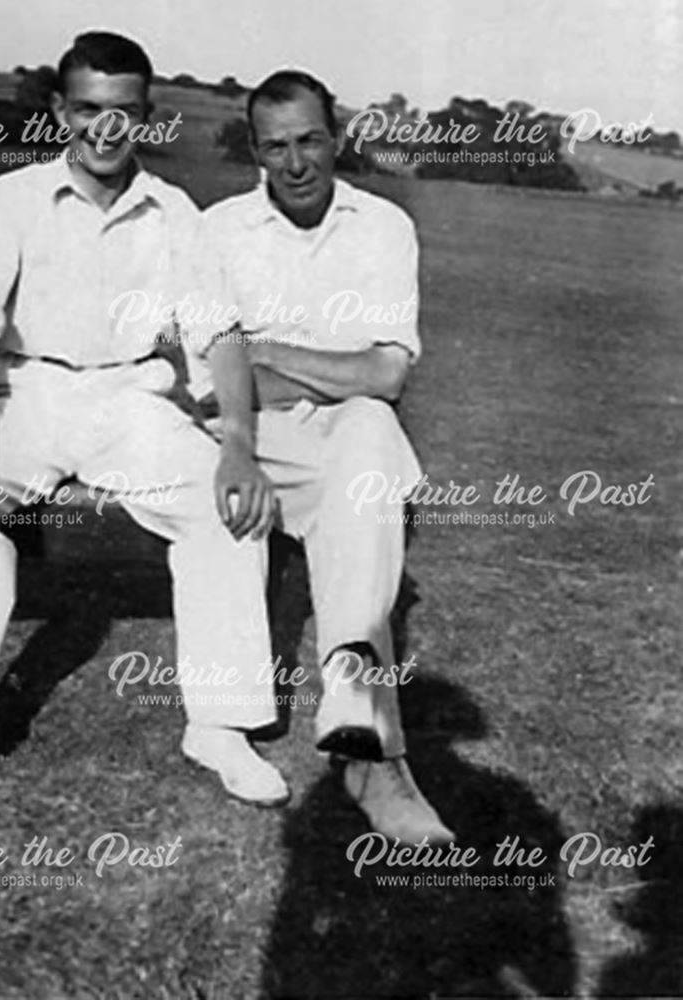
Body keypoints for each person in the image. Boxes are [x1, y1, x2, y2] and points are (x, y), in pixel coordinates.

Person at [0, 32, 287, 825]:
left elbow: (219, 337)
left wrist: (239, 448)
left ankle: (219, 724)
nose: (105, 131)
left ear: (146, 116)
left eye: (124, 114)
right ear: (59, 111)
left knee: (231, 508)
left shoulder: (174, 212)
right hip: (27, 394)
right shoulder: (12, 199)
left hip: (130, 404)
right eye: (87, 111)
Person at [201, 70, 454, 844]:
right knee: (360, 448)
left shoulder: (383, 226)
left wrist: (262, 348)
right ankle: (357, 752)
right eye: (276, 146)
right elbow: (214, 384)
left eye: (310, 139)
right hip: (251, 437)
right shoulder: (217, 229)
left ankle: (366, 742)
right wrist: (265, 372)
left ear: (336, 136)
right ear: (255, 150)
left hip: (343, 432)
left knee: (372, 433)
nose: (296, 162)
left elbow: (385, 373)